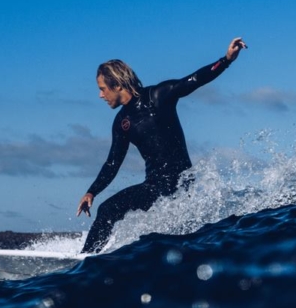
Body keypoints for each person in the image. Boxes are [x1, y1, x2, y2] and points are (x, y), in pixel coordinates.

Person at [77, 37, 247, 253]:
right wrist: (91, 192)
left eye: (102, 89)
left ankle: (87, 258)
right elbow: (113, 162)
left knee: (109, 210)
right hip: (155, 186)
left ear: (117, 85)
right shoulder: (121, 123)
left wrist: (226, 60)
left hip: (181, 183)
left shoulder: (158, 95)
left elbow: (194, 80)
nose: (100, 95)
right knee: (108, 209)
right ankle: (88, 257)